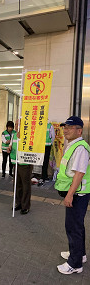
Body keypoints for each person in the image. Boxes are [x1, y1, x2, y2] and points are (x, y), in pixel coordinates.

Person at [55, 116, 90, 275]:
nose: (65, 130)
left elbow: (79, 173)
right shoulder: (73, 145)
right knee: (77, 226)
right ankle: (79, 254)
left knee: (73, 227)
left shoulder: (80, 148)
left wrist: (69, 195)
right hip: (76, 193)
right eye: (65, 127)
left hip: (78, 194)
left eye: (70, 127)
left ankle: (75, 264)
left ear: (79, 130)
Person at [8, 120, 32, 214]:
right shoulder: (13, 134)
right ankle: (18, 203)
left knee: (25, 185)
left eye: (19, 124)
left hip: (25, 163)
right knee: (17, 184)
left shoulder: (28, 134)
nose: (16, 125)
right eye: (16, 124)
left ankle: (25, 206)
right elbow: (11, 145)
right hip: (15, 162)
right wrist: (9, 148)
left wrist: (21, 137)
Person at [39, 121, 55, 185]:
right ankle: (44, 177)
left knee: (42, 161)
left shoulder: (40, 125)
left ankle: (43, 176)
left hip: (40, 146)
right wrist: (51, 143)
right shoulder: (50, 126)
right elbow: (53, 136)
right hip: (47, 146)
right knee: (45, 162)